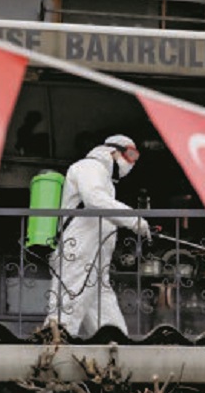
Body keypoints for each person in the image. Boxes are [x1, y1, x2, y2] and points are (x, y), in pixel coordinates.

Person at [44, 134, 152, 337]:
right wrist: (133, 220)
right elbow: (94, 199)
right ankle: (52, 354)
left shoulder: (105, 180)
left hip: (95, 262)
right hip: (79, 253)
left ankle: (116, 354)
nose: (131, 163)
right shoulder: (90, 167)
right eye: (129, 154)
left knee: (109, 325)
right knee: (66, 310)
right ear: (112, 151)